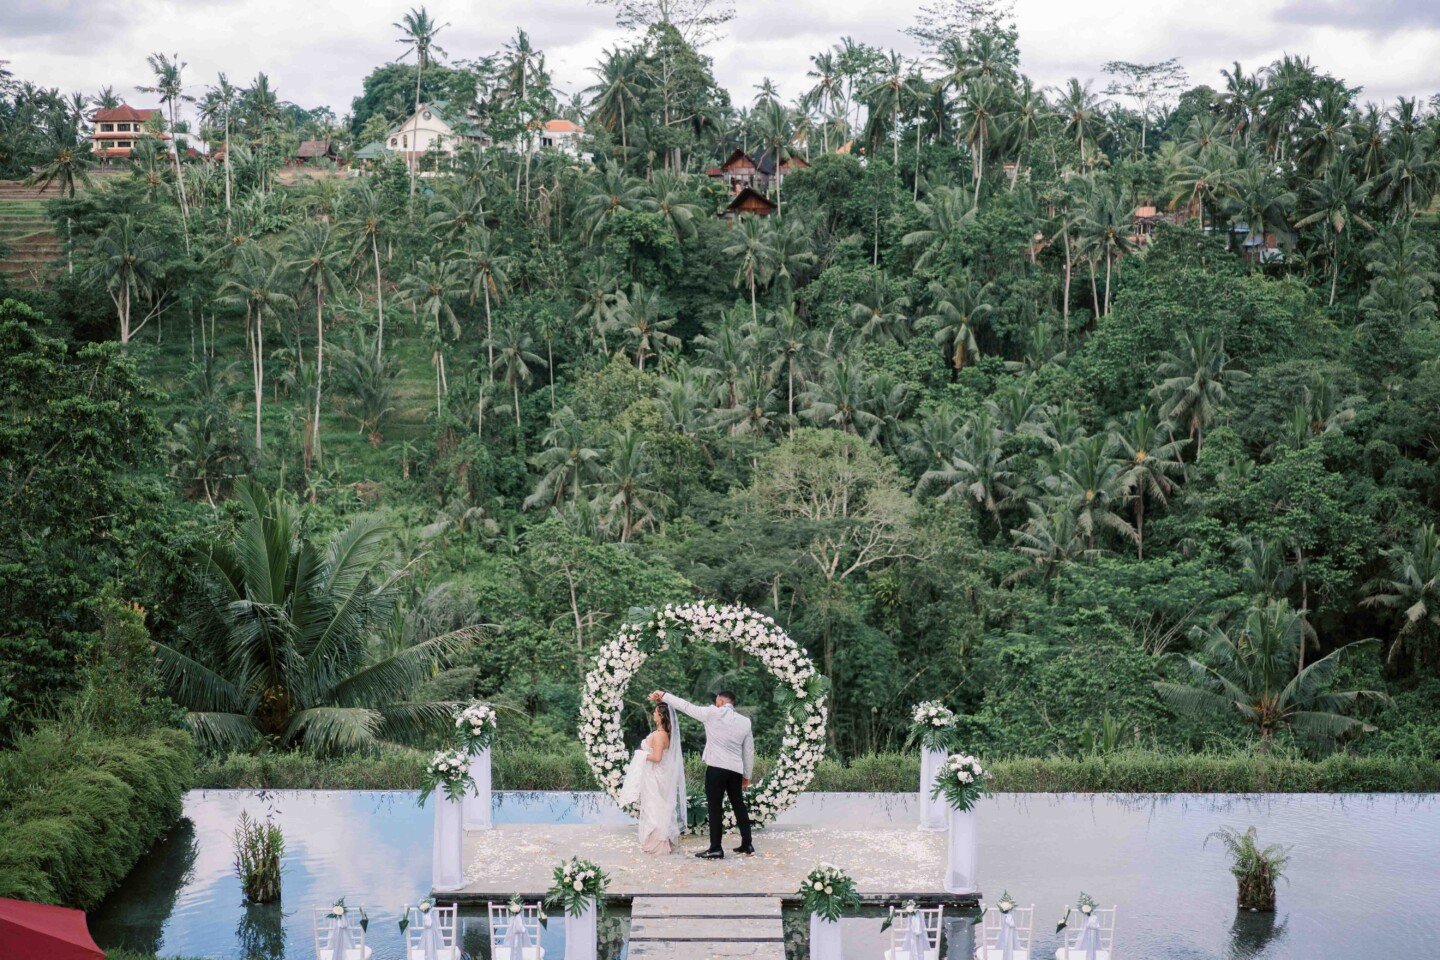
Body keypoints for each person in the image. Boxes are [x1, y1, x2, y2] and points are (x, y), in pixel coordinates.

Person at [649, 688, 754, 859]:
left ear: (720, 701)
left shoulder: (711, 713)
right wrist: (746, 776)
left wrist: (664, 695)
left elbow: (685, 706)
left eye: (716, 701)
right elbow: (748, 751)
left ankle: (716, 848)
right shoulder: (745, 722)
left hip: (716, 769)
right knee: (739, 805)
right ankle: (747, 844)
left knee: (715, 808)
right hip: (735, 770)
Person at [616, 703, 685, 854]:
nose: (653, 714)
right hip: (659, 775)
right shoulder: (666, 734)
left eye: (655, 712)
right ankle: (659, 841)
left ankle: (657, 844)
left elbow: (657, 757)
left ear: (661, 716)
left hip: (655, 776)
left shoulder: (659, 735)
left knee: (655, 807)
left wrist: (641, 755)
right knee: (659, 806)